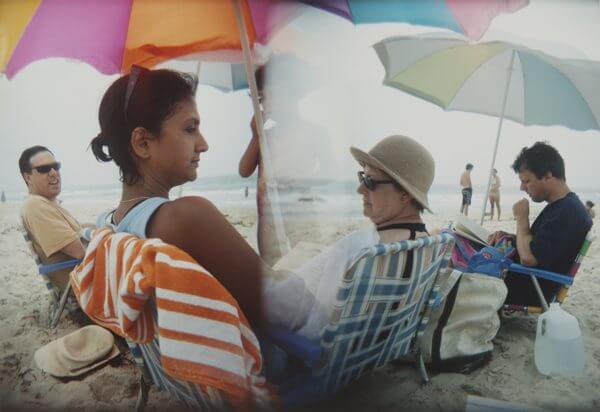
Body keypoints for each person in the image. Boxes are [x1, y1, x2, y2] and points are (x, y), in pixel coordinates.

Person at [268, 135, 436, 342]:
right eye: (361, 177)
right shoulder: (429, 244)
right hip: (380, 345)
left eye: (370, 182)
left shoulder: (363, 248)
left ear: (405, 195)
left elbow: (314, 324)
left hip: (322, 352)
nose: (360, 189)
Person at [488, 142, 592, 306]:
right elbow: (539, 245)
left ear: (547, 176)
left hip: (527, 288)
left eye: (526, 181)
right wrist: (511, 238)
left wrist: (522, 218)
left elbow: (529, 258)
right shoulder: (563, 207)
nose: (522, 187)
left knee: (453, 249)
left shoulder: (568, 211)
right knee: (456, 238)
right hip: (523, 279)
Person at [19, 146, 86, 290]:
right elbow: (79, 252)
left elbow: (77, 234)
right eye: (44, 169)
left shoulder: (46, 204)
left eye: (55, 166)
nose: (54, 172)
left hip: (83, 276)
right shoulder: (36, 205)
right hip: (84, 284)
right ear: (28, 177)